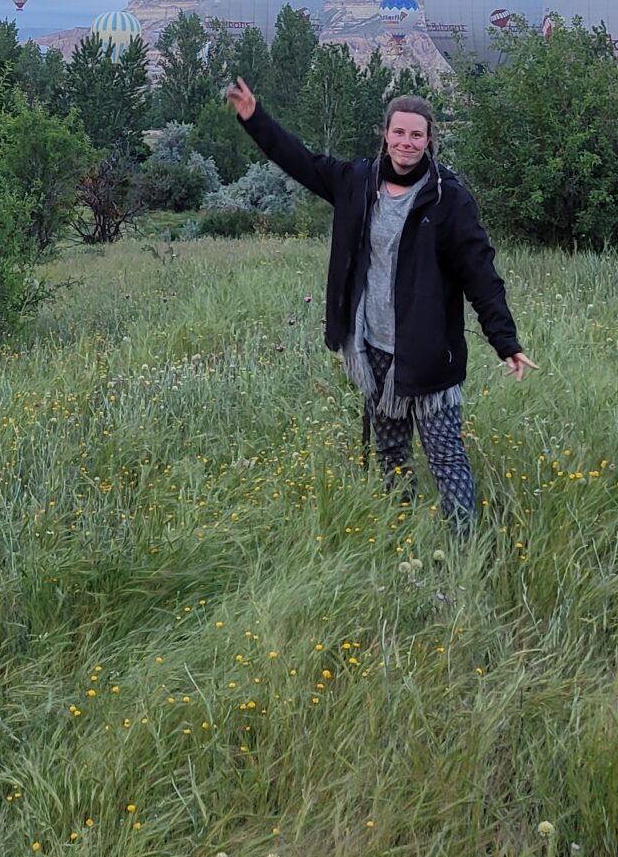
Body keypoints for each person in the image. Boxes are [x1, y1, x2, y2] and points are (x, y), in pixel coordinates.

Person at [224, 76, 534, 530]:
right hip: (373, 350)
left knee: (446, 455)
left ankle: (466, 550)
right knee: (389, 451)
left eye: (416, 134)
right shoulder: (356, 182)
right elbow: (300, 160)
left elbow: (480, 275)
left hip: (428, 355)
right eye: (399, 132)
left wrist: (505, 341)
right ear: (385, 134)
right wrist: (255, 117)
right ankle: (399, 532)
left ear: (429, 140)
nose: (406, 142)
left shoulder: (449, 200)